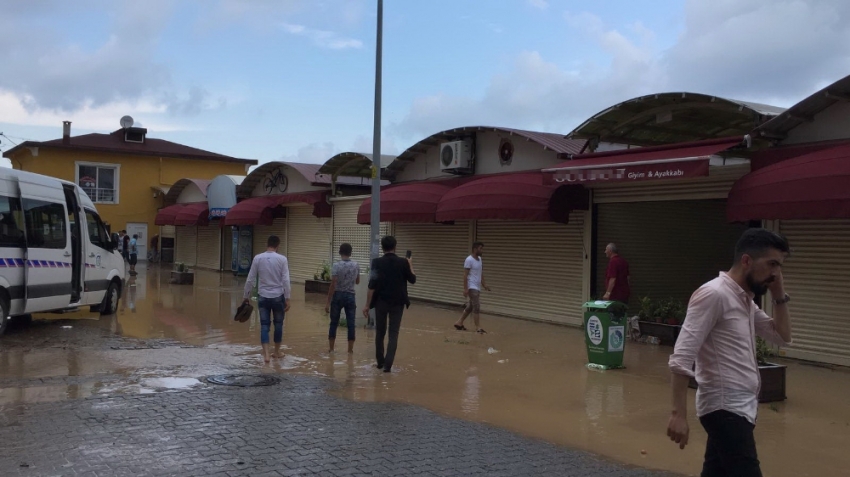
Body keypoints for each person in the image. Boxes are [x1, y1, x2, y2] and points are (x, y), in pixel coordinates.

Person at [667, 228, 792, 477]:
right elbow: (681, 357)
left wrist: (779, 295)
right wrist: (678, 415)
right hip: (724, 410)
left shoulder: (744, 299)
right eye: (771, 264)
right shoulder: (714, 294)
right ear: (746, 260)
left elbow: (781, 336)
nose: (776, 273)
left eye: (779, 267)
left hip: (741, 409)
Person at [362, 235, 416, 373]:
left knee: (380, 332)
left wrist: (367, 305)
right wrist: (410, 264)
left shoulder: (376, 263)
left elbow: (372, 285)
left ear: (382, 247)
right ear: (395, 247)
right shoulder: (403, 262)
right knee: (394, 333)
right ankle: (388, 366)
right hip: (398, 303)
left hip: (381, 302)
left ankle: (380, 362)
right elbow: (413, 280)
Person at [243, 235, 291, 363]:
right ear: (278, 245)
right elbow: (286, 280)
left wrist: (245, 296)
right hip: (278, 297)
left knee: (264, 325)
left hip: (263, 296)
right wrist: (288, 298)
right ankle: (276, 352)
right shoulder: (282, 259)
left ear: (267, 244)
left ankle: (266, 355)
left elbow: (250, 279)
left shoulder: (258, 258)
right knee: (278, 324)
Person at [324, 243, 360, 353]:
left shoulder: (336, 265)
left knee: (333, 322)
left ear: (340, 252)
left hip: (338, 295)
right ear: (350, 253)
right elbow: (357, 282)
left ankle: (331, 349)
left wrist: (327, 302)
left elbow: (333, 284)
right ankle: (350, 350)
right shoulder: (356, 265)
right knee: (351, 323)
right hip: (350, 296)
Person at [454, 242, 491, 333]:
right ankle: (478, 327)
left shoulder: (480, 259)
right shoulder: (469, 260)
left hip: (477, 287)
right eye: (480, 248)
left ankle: (459, 323)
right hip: (472, 286)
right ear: (475, 249)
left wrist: (484, 285)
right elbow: (465, 275)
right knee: (476, 306)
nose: (482, 250)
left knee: (470, 306)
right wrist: (466, 289)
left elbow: (480, 273)